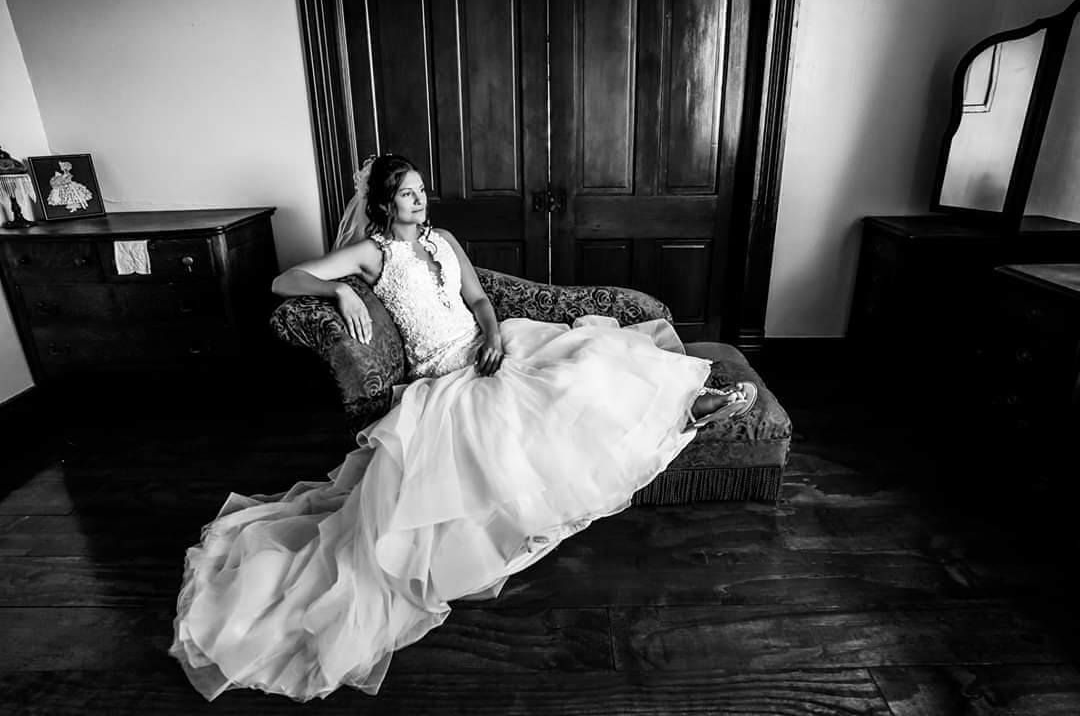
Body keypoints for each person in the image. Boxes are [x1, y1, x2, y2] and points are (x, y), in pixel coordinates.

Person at [169, 154, 757, 702]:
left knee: (593, 359)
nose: (420, 202)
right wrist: (339, 290)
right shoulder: (372, 254)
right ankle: (691, 407)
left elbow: (478, 298)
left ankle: (692, 401)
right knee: (548, 403)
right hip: (447, 376)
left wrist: (497, 337)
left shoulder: (443, 241)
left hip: (493, 347)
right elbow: (283, 281)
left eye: (423, 192)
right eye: (407, 195)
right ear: (382, 205)